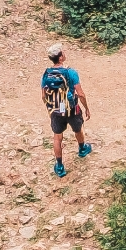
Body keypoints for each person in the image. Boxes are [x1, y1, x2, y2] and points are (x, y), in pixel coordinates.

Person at [40, 44, 89, 177]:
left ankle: (60, 167)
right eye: (63, 52)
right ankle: (82, 149)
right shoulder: (70, 72)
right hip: (71, 108)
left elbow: (44, 96)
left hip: (56, 110)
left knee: (57, 138)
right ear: (60, 57)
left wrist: (50, 109)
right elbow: (80, 93)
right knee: (78, 129)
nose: (64, 53)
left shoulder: (46, 74)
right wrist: (86, 108)